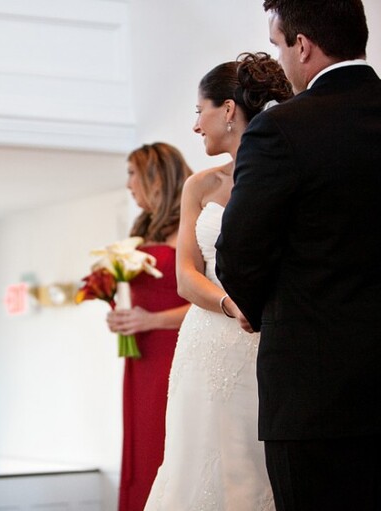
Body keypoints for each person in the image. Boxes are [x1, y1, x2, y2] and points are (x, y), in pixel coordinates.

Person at [215, 1, 381, 509]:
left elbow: (239, 253)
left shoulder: (282, 128)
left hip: (315, 395)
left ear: (303, 46)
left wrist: (257, 306)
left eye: (278, 45)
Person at [144, 53, 292, 510]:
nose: (195, 126)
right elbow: (186, 277)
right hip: (208, 340)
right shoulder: (200, 186)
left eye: (199, 111)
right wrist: (232, 305)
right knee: (195, 462)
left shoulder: (285, 175)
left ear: (228, 110)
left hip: (267, 341)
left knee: (257, 469)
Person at [105, 142, 192, 511]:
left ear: (156, 177)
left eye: (132, 174)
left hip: (174, 353)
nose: (128, 184)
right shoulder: (141, 228)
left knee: (166, 441)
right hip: (140, 358)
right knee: (140, 443)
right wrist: (119, 311)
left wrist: (152, 320)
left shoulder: (188, 225)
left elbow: (210, 304)